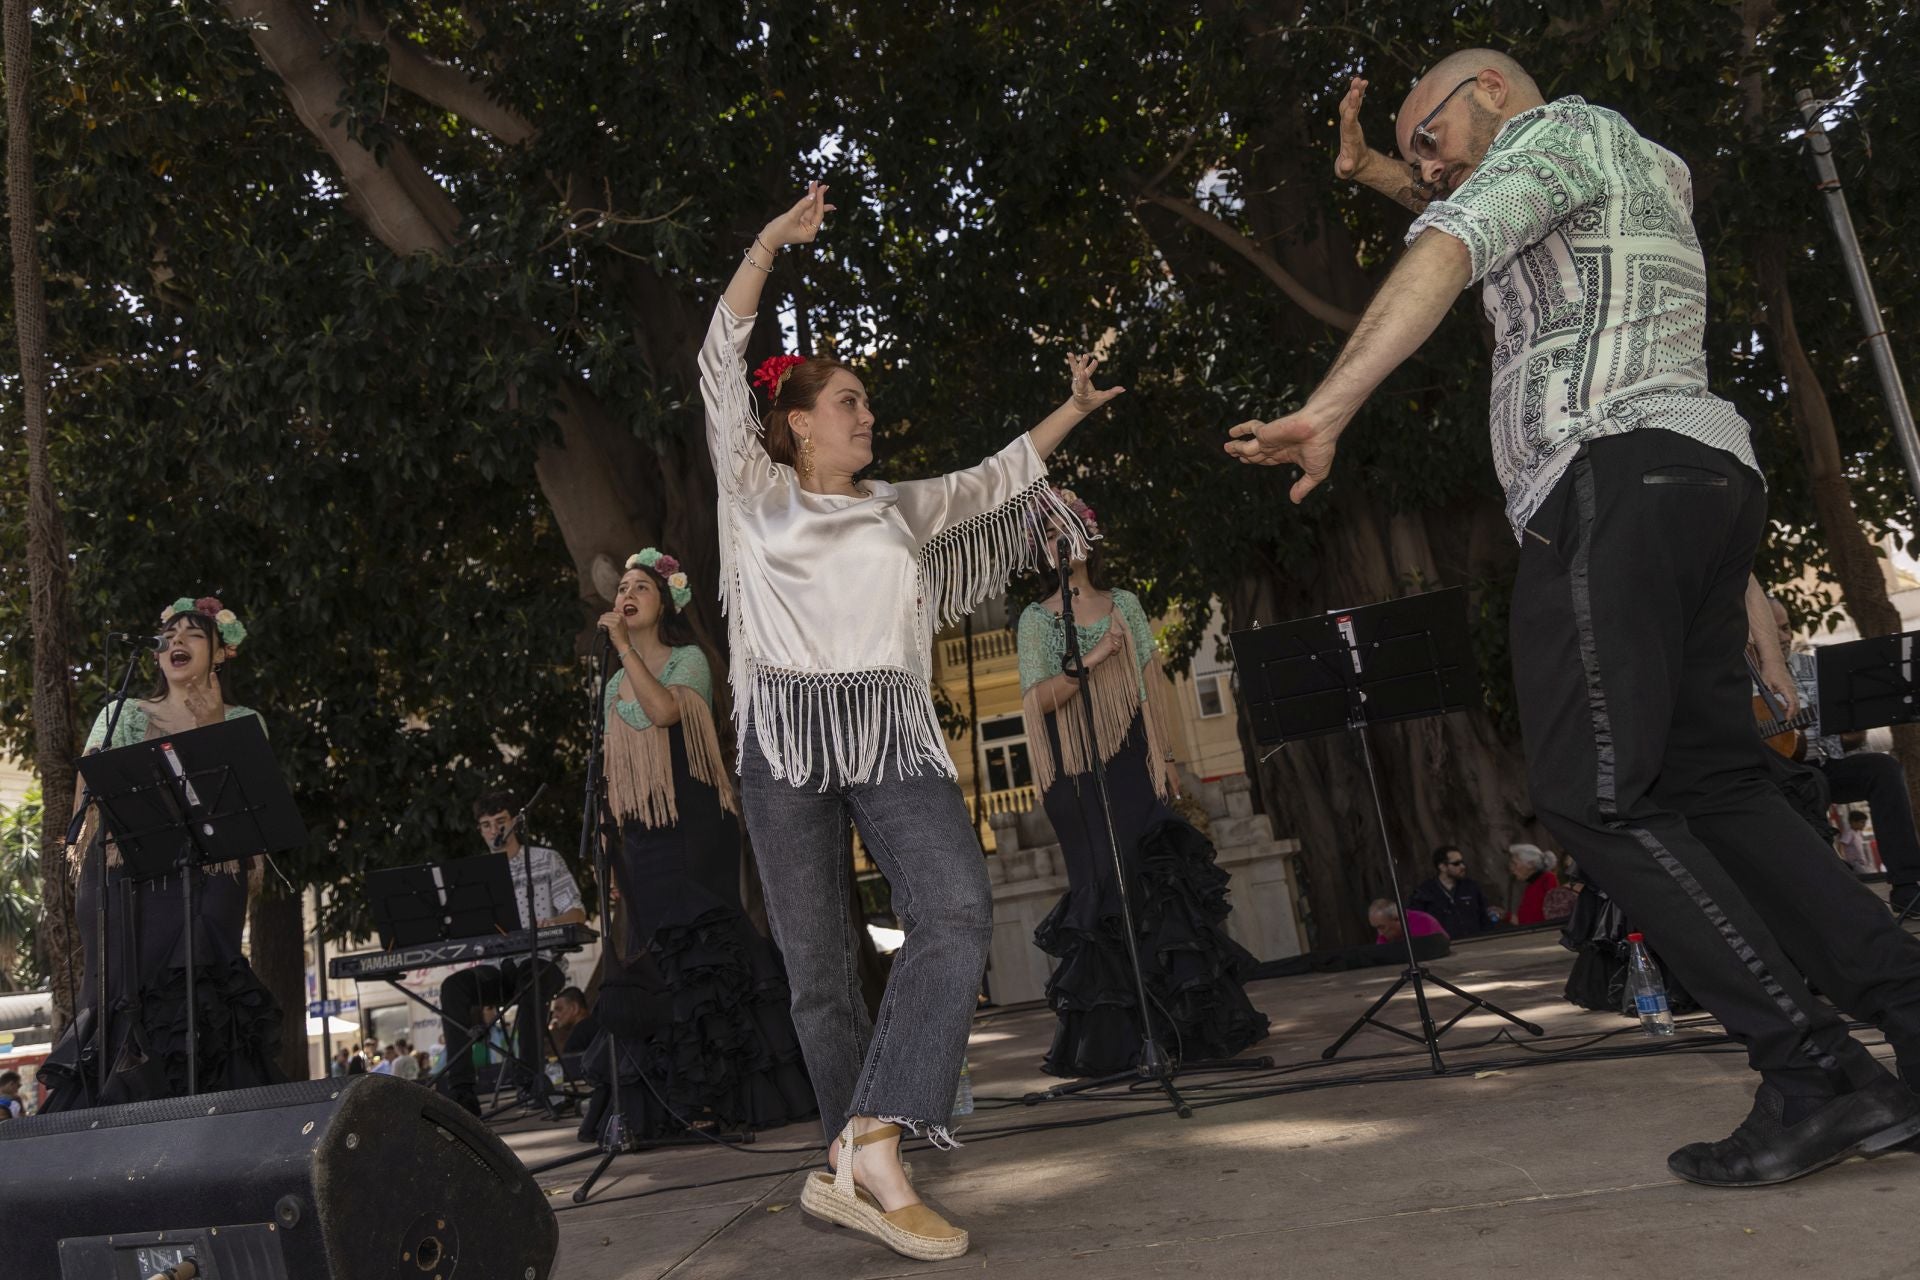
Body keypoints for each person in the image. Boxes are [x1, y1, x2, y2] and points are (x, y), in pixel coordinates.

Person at [1228, 50, 1920, 1185]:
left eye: (1431, 137)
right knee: (1723, 788)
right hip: (1702, 478)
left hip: (1603, 476)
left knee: (1593, 797)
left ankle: (1815, 1070)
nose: (1430, 166)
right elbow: (1487, 215)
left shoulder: (1556, 133)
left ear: (1493, 89)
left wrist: (1328, 406)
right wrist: (1376, 176)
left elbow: (1454, 241)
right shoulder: (1640, 160)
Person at [705, 184, 1115, 1259]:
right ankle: (866, 1164)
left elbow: (993, 482)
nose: (866, 414)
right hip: (783, 741)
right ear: (794, 421)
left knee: (957, 906)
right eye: (848, 401)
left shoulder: (897, 505)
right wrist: (767, 243)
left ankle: (873, 1135)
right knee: (821, 972)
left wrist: (1072, 404)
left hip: (890, 732)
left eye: (867, 403)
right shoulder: (749, 490)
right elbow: (718, 355)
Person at [1016, 487, 1267, 1077]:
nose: (1062, 540)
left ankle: (1183, 1032)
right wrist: (1095, 657)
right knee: (1100, 889)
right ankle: (1117, 1042)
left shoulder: (1124, 603)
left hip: (1133, 757)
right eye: (1050, 533)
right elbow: (1037, 701)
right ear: (1038, 550)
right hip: (1074, 772)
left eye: (1070, 528)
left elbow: (1152, 686)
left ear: (1087, 537)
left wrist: (1168, 757)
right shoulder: (1034, 621)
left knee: (1154, 881)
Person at [594, 547, 813, 1138]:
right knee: (655, 951)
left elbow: (664, 712)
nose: (627, 595)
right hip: (641, 833)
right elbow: (612, 766)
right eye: (622, 588)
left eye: (641, 587)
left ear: (664, 603)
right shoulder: (613, 681)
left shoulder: (687, 660)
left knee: (706, 939)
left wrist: (624, 649)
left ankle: (730, 1090)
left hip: (692, 821)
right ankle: (673, 1100)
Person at [39, 596, 284, 1111]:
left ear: (219, 654)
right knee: (120, 992)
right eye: (169, 635)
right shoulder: (121, 713)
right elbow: (91, 793)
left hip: (211, 875)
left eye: (193, 635)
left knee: (203, 981)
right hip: (125, 880)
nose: (177, 642)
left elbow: (246, 803)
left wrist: (211, 720)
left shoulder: (244, 719)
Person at [1757, 594, 1919, 911]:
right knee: (1809, 782)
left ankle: (1908, 886)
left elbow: (1846, 737)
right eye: (1775, 629)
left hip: (1821, 766)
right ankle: (1837, 894)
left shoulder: (1818, 668)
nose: (1786, 636)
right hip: (1771, 780)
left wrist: (1850, 732)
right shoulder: (1736, 676)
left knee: (1882, 768)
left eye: (1787, 627)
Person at [435, 791, 585, 1116]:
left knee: (531, 977)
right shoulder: (474, 875)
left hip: (544, 961)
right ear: (480, 830)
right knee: (453, 987)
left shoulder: (546, 859)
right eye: (486, 825)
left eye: (500, 822)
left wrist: (550, 922)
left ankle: (530, 1082)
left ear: (514, 821)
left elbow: (577, 913)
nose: (493, 831)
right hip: (498, 966)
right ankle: (462, 1095)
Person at [1409, 845, 1497, 937]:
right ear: (1442, 867)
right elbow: (1416, 921)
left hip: (1475, 943)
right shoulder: (1425, 891)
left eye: (1462, 862)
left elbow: (1486, 917)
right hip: (1444, 947)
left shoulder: (1472, 887)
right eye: (1456, 863)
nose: (1462, 866)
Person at [1507, 844, 1562, 926]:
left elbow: (1555, 915)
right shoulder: (1530, 885)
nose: (1512, 868)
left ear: (1530, 864)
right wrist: (1505, 916)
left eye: (1515, 864)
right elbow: (1524, 921)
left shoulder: (1548, 879)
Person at [548, 987, 602, 1057]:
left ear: (574, 1008)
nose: (554, 1015)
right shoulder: (600, 1026)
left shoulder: (579, 1035)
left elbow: (571, 1065)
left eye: (559, 1009)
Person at [1370, 900, 1448, 948]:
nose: (1380, 933)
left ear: (1397, 919)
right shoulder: (1384, 933)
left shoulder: (1422, 921)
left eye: (1382, 927)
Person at [1837, 812, 1876, 876]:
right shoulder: (1849, 833)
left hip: (1860, 862)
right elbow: (1841, 844)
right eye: (1862, 822)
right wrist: (1842, 859)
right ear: (1853, 822)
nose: (1864, 825)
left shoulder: (1857, 833)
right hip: (1854, 863)